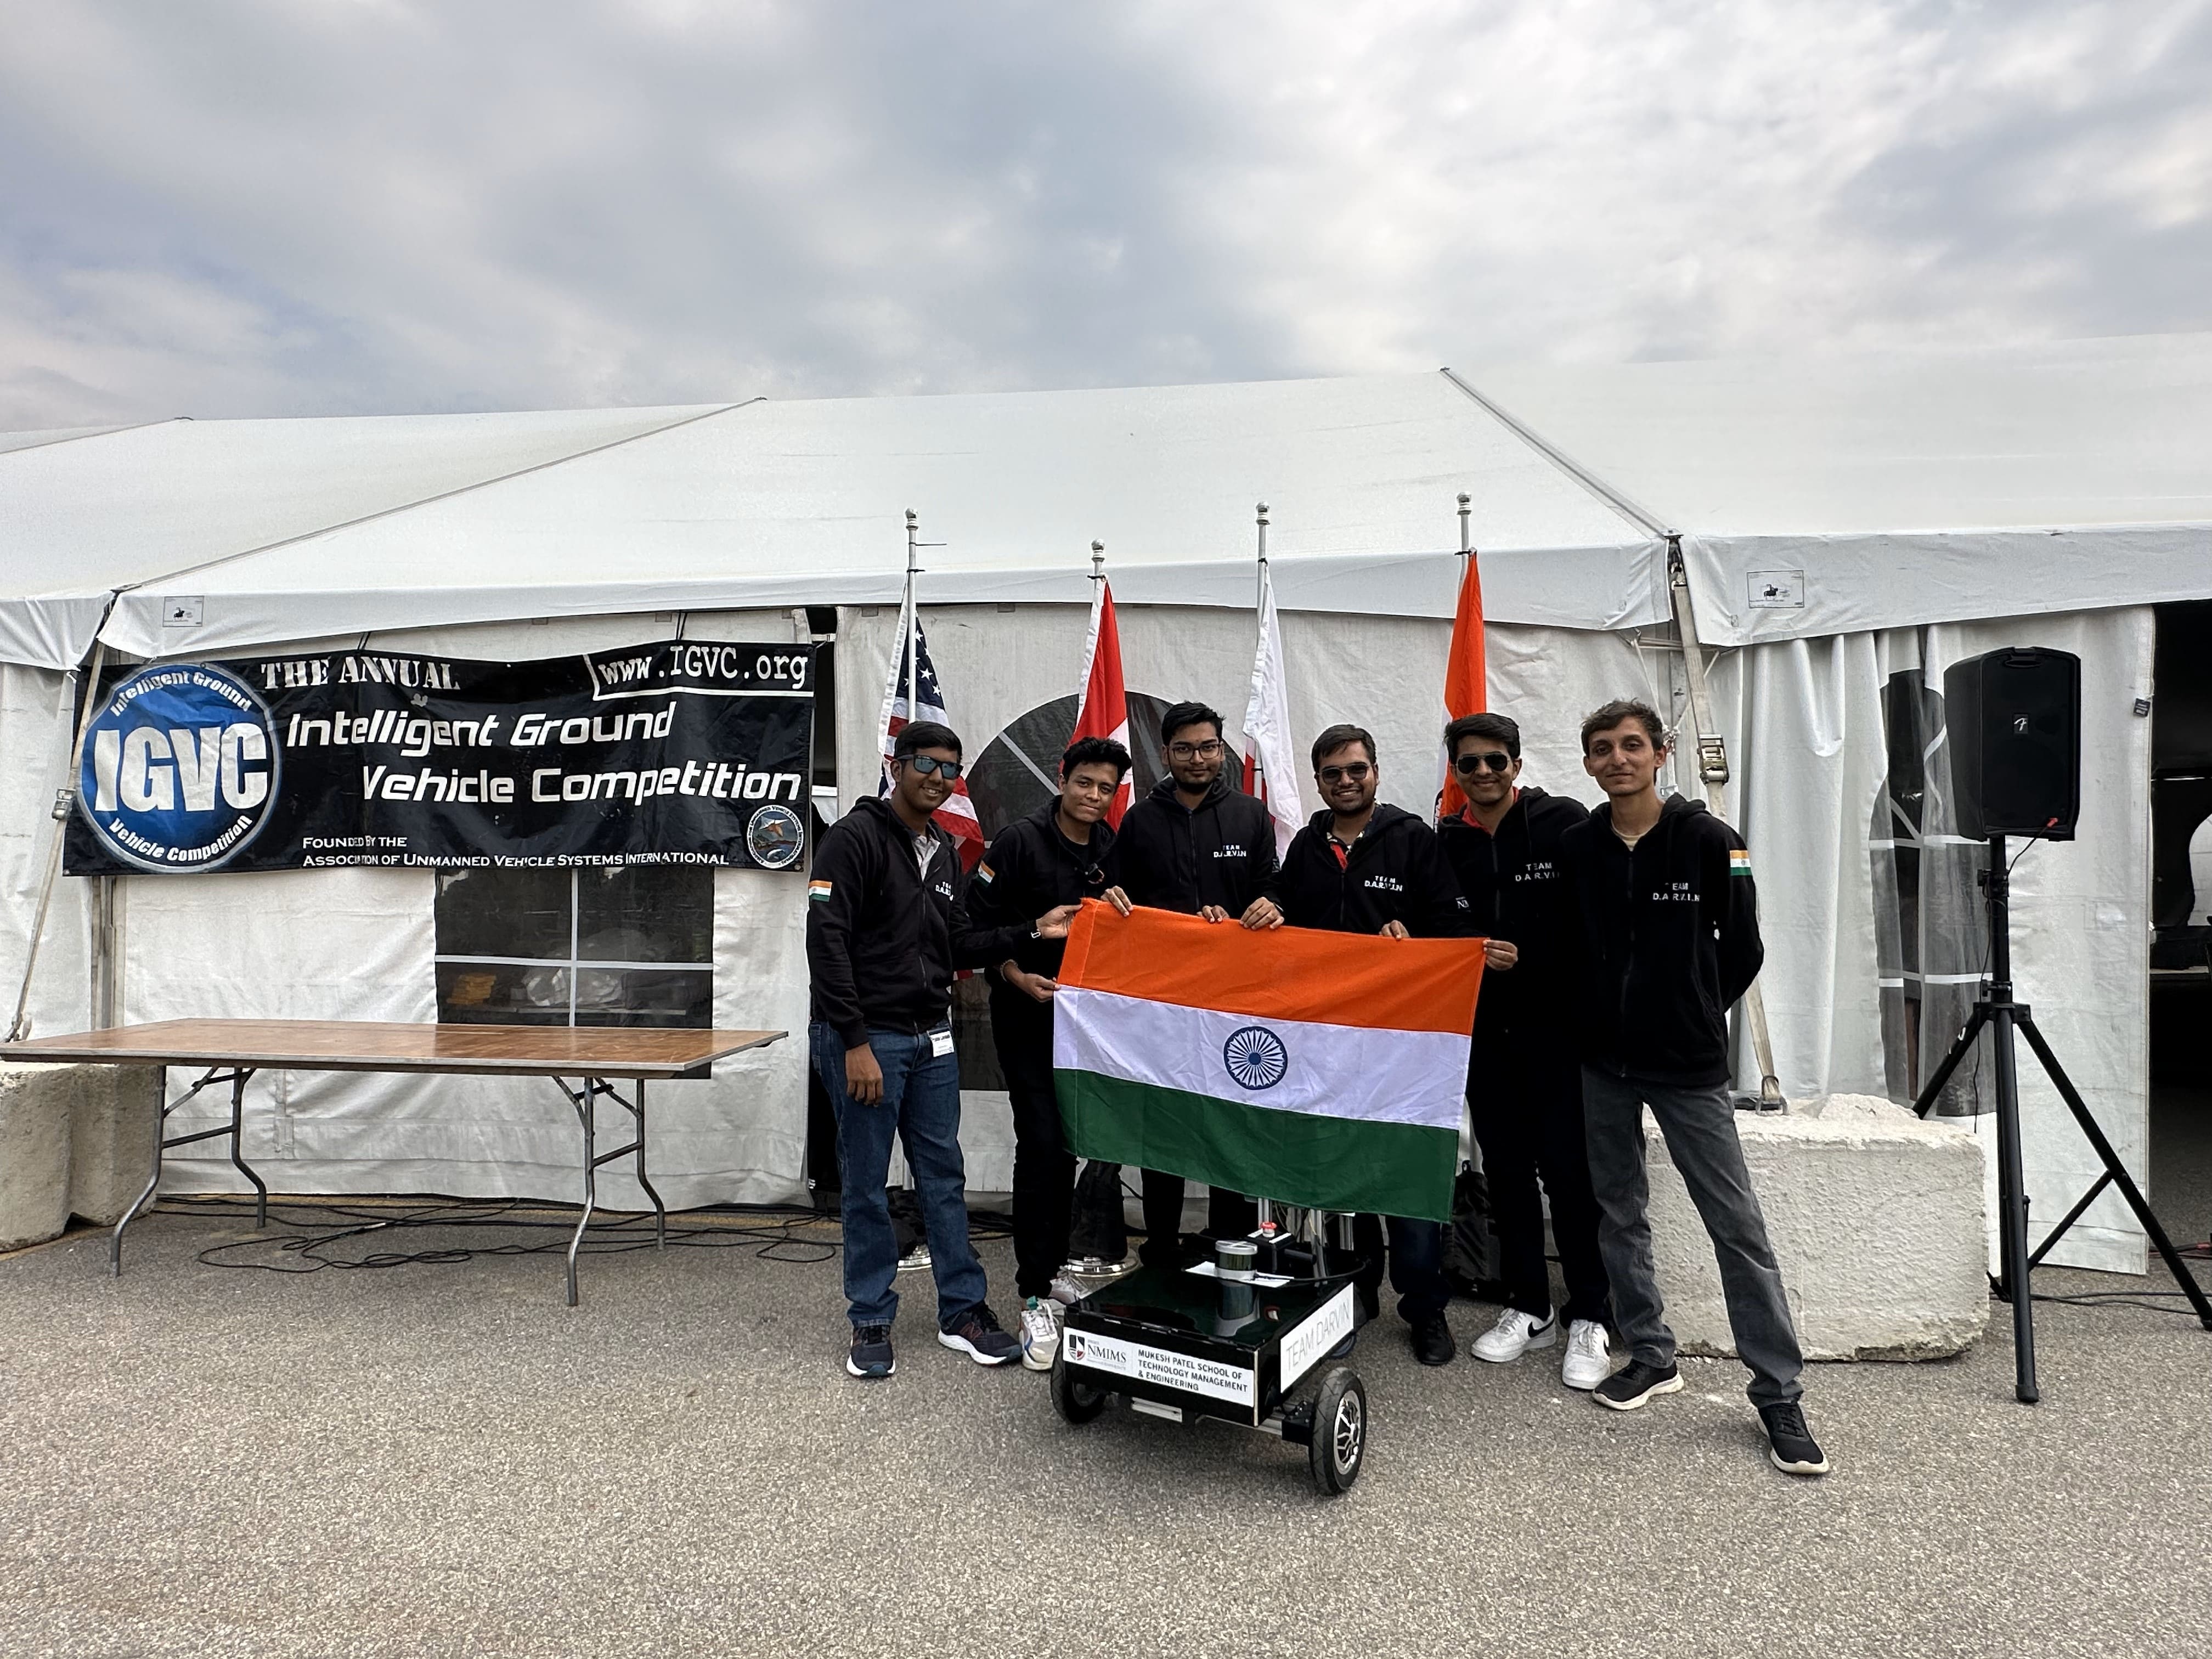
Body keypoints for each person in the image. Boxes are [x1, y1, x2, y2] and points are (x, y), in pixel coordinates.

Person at [1560, 698, 1828, 1475]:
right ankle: (1651, 1353)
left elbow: (1743, 948)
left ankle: (1778, 1391)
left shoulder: (1713, 839)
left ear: (1661, 752)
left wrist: (1693, 1012)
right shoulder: (1580, 846)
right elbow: (1572, 945)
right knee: (1619, 1213)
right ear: (1588, 762)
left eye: (1631, 745)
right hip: (1602, 1065)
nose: (1617, 759)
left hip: (1687, 1068)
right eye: (1602, 748)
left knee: (1736, 1226)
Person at [806, 720, 1077, 1381]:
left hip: (932, 1035)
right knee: (866, 1183)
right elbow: (826, 943)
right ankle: (871, 1316)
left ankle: (963, 1311)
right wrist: (855, 1042)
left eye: (950, 769)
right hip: (868, 1038)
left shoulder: (946, 852)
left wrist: (1031, 931)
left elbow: (959, 941)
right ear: (896, 766)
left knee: (943, 1176)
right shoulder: (853, 839)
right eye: (926, 763)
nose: (938, 778)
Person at [1276, 722, 1471, 1366]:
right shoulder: (1306, 846)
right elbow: (1284, 910)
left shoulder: (1413, 839)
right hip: (1327, 1046)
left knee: (1407, 1179)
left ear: (1376, 773)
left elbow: (1456, 929)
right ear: (1319, 782)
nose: (1346, 781)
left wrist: (1413, 938)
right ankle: (1353, 1297)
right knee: (1342, 1178)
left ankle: (1426, 1308)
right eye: (1332, 773)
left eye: (1356, 770)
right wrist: (1264, 906)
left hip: (1402, 1049)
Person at [1435, 712, 1614, 1390]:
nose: (1483, 772)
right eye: (1469, 763)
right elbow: (1434, 925)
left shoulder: (1565, 822)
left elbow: (1596, 924)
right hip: (1484, 1037)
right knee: (1506, 1173)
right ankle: (1529, 1304)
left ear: (1517, 763)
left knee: (1570, 1177)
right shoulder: (1445, 840)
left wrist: (1532, 961)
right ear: (1456, 773)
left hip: (1557, 1034)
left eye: (1495, 760)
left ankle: (1590, 1312)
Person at [967, 735, 1133, 1370]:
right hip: (1027, 1017)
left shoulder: (1113, 850)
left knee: (1068, 1145)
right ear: (1062, 779)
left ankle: (1056, 1268)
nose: (1094, 796)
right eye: (1085, 783)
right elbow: (969, 933)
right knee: (1040, 1145)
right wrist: (1014, 969)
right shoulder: (1017, 843)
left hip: (1088, 1030)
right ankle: (1033, 1294)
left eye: (1106, 788)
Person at [1101, 700, 1283, 1267]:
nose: (1197, 758)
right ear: (1165, 754)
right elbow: (1113, 895)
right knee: (1165, 1124)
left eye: (1207, 747)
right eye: (1184, 749)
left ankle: (1230, 1242)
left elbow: (1274, 887)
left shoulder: (1251, 816)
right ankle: (1161, 1246)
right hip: (1164, 1005)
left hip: (1235, 1003)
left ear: (1222, 751)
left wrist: (1271, 904)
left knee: (1229, 1121)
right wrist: (1113, 898)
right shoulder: (1139, 820)